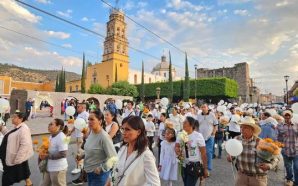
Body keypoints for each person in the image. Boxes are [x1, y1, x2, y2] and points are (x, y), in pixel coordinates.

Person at [227, 116, 279, 186]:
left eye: (245, 128)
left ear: (252, 130)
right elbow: (233, 153)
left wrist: (269, 166)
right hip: (241, 176)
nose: (242, 130)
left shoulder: (260, 142)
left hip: (258, 178)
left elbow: (276, 158)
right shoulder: (236, 139)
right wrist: (231, 157)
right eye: (241, 127)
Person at [114, 116, 160, 186]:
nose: (123, 132)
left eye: (128, 129)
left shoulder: (146, 155)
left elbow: (155, 183)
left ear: (138, 132)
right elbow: (116, 171)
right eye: (122, 129)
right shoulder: (123, 148)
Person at [76, 110, 117, 186]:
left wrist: (102, 168)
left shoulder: (104, 137)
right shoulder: (91, 133)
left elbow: (114, 158)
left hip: (99, 176)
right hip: (89, 173)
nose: (89, 121)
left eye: (92, 119)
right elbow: (92, 149)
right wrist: (82, 155)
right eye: (88, 119)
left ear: (100, 121)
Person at [0, 112, 33, 186]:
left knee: (6, 180)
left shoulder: (24, 129)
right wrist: (2, 129)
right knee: (24, 174)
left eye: (14, 117)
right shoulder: (17, 127)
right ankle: (29, 183)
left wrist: (17, 160)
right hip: (12, 158)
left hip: (14, 159)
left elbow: (25, 145)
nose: (12, 118)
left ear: (20, 119)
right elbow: (10, 137)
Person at [175, 116, 208, 186]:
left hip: (194, 166)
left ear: (191, 125)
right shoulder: (181, 134)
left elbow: (203, 153)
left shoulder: (198, 136)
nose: (183, 123)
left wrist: (205, 169)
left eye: (185, 122)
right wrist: (178, 152)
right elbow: (176, 146)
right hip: (183, 165)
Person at [40, 118, 69, 186]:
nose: (48, 125)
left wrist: (47, 156)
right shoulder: (52, 136)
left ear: (58, 126)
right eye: (49, 124)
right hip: (49, 167)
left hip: (58, 169)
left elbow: (63, 154)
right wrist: (43, 151)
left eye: (51, 124)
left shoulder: (62, 137)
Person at [277, 110, 298, 186]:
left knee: (297, 167)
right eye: (286, 115)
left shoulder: (296, 124)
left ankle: (296, 183)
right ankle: (289, 179)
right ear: (283, 116)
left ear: (291, 116)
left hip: (296, 150)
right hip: (286, 150)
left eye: (288, 115)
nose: (287, 117)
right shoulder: (280, 125)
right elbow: (278, 137)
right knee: (288, 167)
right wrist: (279, 145)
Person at [197, 104, 218, 173]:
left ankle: (208, 168)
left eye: (204, 107)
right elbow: (196, 126)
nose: (203, 108)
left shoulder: (212, 115)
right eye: (202, 107)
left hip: (210, 137)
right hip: (200, 137)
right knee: (200, 152)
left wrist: (214, 133)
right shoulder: (198, 115)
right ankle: (201, 166)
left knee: (208, 152)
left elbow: (216, 124)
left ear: (207, 108)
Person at [71, 103, 89, 174]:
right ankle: (81, 166)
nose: (76, 108)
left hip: (81, 136)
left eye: (78, 107)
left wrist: (85, 135)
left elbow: (88, 125)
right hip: (78, 135)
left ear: (82, 107)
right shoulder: (79, 115)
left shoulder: (86, 114)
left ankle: (79, 167)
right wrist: (71, 132)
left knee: (79, 152)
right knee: (79, 151)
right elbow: (76, 124)